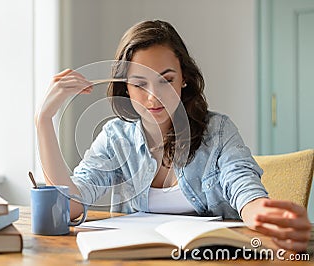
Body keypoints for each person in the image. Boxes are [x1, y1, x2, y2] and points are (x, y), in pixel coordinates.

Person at [35, 20, 311, 252]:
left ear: (184, 78)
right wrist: (44, 121)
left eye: (166, 80)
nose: (153, 97)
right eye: (139, 84)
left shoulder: (218, 131)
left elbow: (243, 186)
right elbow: (68, 206)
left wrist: (260, 210)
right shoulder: (116, 138)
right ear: (125, 88)